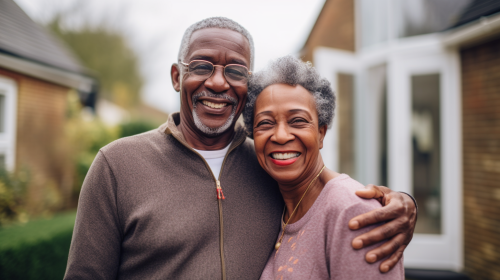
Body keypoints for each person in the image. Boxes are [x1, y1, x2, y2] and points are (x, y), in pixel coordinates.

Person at [64, 17, 416, 279]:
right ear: (176, 76)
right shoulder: (117, 166)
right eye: (202, 66)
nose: (217, 82)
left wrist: (397, 202)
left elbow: (329, 193)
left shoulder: (269, 163)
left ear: (247, 86)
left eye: (235, 71)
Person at [244, 55, 404, 279]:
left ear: (321, 133)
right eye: (265, 123)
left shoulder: (352, 211)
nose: (280, 136)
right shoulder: (274, 201)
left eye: (297, 120)